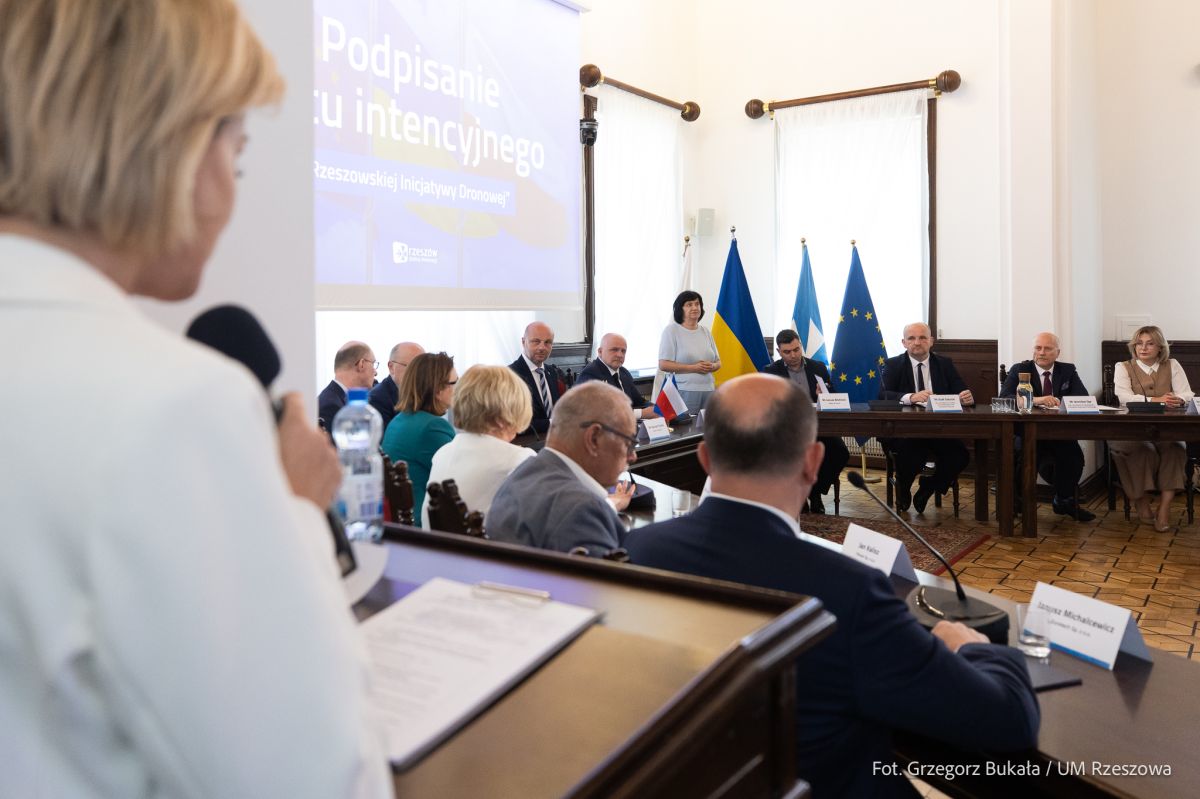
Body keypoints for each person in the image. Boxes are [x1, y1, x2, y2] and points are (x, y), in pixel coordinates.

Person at [0, 2, 391, 797]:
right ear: (171, 142)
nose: (231, 195)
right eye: (237, 158)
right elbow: (319, 778)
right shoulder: (174, 406)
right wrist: (295, 512)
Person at [624, 375, 1039, 797]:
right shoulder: (849, 591)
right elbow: (1006, 720)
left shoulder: (635, 553)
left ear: (705, 458)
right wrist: (971, 646)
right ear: (814, 461)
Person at [488, 382, 637, 555]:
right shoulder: (582, 510)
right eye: (628, 443)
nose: (633, 456)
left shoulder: (521, 474)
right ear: (594, 439)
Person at [421, 365, 535, 527]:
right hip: (484, 544)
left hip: (435, 543)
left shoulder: (443, 453)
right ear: (503, 416)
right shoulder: (519, 460)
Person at [999, 331, 1096, 521]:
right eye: (1038, 348)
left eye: (1047, 348)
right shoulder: (1020, 369)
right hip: (1025, 431)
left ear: (1057, 352)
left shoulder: (1067, 371)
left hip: (1058, 431)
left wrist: (1059, 401)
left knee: (1074, 456)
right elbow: (1004, 400)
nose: (1042, 352)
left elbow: (1082, 398)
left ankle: (1064, 500)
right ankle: (1018, 502)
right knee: (1022, 454)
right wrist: (1037, 399)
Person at [878, 322, 974, 513]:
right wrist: (911, 397)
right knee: (911, 453)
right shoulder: (893, 364)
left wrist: (967, 397)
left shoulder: (944, 364)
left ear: (931, 341)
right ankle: (903, 487)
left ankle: (928, 487)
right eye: (911, 338)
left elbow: (961, 390)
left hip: (940, 430)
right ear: (904, 342)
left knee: (960, 456)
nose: (917, 342)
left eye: (922, 337)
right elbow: (883, 395)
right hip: (905, 431)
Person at [1109, 325, 1194, 531]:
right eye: (1139, 343)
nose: (1143, 348)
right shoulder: (1123, 367)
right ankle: (1141, 502)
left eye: (1150, 343)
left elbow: (1187, 393)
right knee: (1142, 450)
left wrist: (1178, 398)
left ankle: (1164, 508)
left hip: (1167, 429)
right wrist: (1156, 400)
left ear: (1160, 347)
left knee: (1176, 449)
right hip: (1131, 429)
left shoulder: (1172, 364)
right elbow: (1124, 398)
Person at [761, 328, 849, 513]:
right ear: (779, 351)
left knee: (840, 452)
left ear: (801, 346)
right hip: (788, 431)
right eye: (787, 352)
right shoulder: (771, 371)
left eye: (796, 349)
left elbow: (832, 396)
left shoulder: (818, 367)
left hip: (818, 427)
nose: (793, 355)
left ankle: (814, 492)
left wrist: (823, 395)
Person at [381, 352, 457, 525]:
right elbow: (459, 478)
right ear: (438, 390)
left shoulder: (398, 421)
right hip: (426, 524)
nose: (458, 389)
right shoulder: (433, 428)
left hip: (402, 523)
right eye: (454, 383)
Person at [658, 290, 721, 412]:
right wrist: (694, 368)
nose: (695, 307)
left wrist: (712, 366)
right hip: (683, 389)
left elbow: (718, 362)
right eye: (689, 304)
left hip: (709, 389)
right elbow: (663, 364)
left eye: (697, 304)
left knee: (707, 423)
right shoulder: (671, 331)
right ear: (680, 309)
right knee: (686, 424)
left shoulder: (705, 331)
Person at [576, 332, 658, 419]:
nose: (620, 355)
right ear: (600, 351)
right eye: (614, 350)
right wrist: (641, 413)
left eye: (623, 351)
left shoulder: (624, 373)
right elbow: (599, 413)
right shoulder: (590, 374)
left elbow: (639, 402)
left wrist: (657, 409)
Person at [508, 321, 562, 435]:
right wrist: (554, 423)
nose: (542, 347)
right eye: (536, 341)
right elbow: (514, 422)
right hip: (527, 442)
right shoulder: (510, 375)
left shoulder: (552, 372)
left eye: (547, 342)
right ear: (523, 342)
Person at [318, 340, 377, 430]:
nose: (375, 372)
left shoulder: (336, 400)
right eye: (373, 364)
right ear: (361, 364)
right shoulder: (331, 407)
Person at [369, 341, 424, 428]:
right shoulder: (377, 399)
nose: (419, 373)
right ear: (391, 367)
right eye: (411, 367)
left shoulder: (424, 393)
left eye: (422, 368)